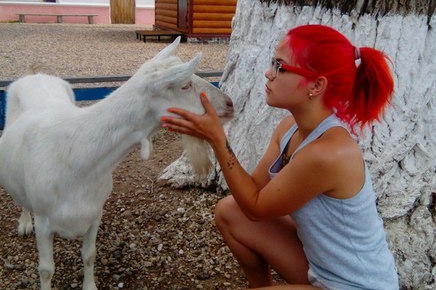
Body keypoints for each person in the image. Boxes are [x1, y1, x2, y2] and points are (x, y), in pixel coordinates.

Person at [161, 24, 399, 289]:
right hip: (320, 268)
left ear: (317, 85)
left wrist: (218, 140)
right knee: (230, 211)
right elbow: (251, 195)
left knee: (242, 211)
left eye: (280, 66)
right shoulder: (290, 128)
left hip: (355, 285)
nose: (268, 73)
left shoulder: (328, 153)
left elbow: (256, 208)